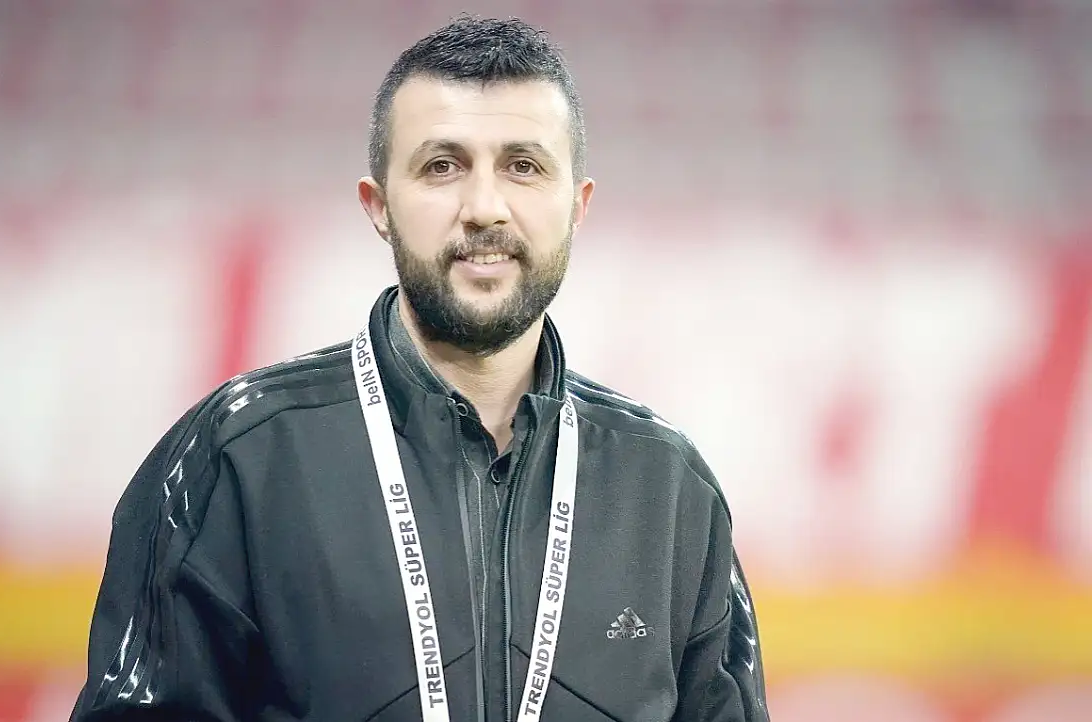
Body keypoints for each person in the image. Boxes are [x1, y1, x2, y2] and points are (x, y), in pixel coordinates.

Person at [70, 15, 768, 722]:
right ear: (378, 206)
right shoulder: (239, 459)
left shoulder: (668, 489)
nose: (485, 208)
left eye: (524, 167)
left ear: (577, 206)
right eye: (442, 166)